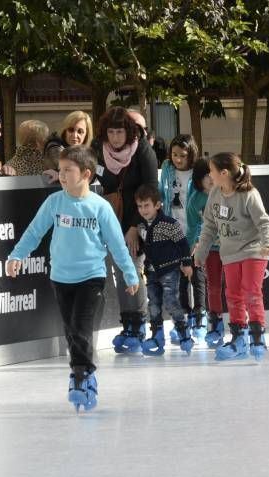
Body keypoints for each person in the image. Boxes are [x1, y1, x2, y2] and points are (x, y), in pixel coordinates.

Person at [5, 146, 139, 412]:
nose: (62, 175)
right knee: (71, 330)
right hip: (61, 277)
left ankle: (81, 376)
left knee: (80, 327)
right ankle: (81, 372)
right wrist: (16, 255)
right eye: (61, 170)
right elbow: (34, 232)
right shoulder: (55, 203)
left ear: (86, 174)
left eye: (68, 170)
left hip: (91, 277)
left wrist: (129, 273)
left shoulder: (100, 207)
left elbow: (116, 244)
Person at [193, 153, 269, 361]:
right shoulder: (214, 194)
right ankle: (239, 338)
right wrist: (201, 251)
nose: (209, 175)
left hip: (253, 250)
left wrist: (268, 242)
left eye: (212, 171)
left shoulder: (249, 194)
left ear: (224, 173)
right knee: (233, 295)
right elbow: (209, 226)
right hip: (229, 253)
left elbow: (264, 222)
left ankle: (258, 336)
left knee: (251, 292)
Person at [95, 106, 158, 353]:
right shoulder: (98, 149)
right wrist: (58, 172)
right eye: (111, 132)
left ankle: (138, 323)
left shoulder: (142, 150)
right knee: (119, 272)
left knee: (132, 267)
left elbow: (152, 188)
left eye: (119, 132)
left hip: (137, 218)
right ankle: (127, 324)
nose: (115, 138)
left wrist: (135, 226)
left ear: (128, 131)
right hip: (111, 217)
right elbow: (82, 166)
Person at [134, 184, 195, 356]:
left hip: (169, 270)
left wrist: (186, 263)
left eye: (147, 205)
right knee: (153, 304)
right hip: (152, 272)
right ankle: (157, 337)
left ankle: (184, 333)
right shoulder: (141, 226)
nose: (143, 210)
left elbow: (182, 244)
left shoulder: (169, 224)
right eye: (140, 206)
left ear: (157, 205)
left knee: (171, 301)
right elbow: (144, 247)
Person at [158, 133, 207, 341]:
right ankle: (183, 319)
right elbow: (162, 193)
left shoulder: (198, 171)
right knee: (178, 279)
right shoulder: (168, 169)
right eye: (175, 154)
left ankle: (200, 317)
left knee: (197, 277)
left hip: (194, 231)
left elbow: (204, 203)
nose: (178, 159)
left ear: (191, 154)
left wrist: (199, 237)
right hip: (173, 233)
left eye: (183, 155)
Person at [186, 158, 225, 348]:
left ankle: (241, 322)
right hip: (210, 249)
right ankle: (216, 323)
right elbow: (192, 227)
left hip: (233, 248)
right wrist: (190, 250)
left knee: (237, 288)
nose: (210, 179)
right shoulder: (195, 201)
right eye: (205, 176)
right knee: (214, 287)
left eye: (212, 174)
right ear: (198, 180)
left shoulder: (226, 193)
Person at [42, 111, 94, 183]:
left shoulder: (87, 151)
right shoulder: (55, 148)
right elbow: (75, 174)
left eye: (80, 131)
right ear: (65, 131)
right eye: (71, 130)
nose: (75, 135)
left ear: (86, 135)